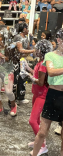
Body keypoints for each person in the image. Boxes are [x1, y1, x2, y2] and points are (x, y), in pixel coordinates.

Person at [31, 28, 63, 156]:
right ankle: (35, 154)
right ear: (59, 40)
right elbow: (51, 72)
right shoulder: (50, 55)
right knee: (43, 132)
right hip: (53, 95)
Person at [20, 40, 53, 156]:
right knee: (37, 120)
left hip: (42, 95)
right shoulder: (40, 61)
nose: (35, 50)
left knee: (32, 120)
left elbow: (40, 82)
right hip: (36, 94)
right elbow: (36, 74)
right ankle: (38, 141)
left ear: (42, 50)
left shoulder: (44, 64)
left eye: (37, 49)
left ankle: (42, 146)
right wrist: (27, 68)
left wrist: (28, 76)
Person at [0, 31, 17, 116]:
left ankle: (14, 106)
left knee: (8, 92)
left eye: (0, 38)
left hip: (8, 72)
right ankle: (0, 107)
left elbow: (7, 59)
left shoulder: (10, 47)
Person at [13, 22, 35, 103]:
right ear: (24, 29)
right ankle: (13, 98)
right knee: (16, 79)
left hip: (23, 60)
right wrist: (33, 51)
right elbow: (20, 50)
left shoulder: (25, 38)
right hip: (16, 61)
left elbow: (28, 47)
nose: (28, 30)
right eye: (27, 28)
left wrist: (33, 48)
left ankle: (20, 97)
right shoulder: (18, 37)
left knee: (23, 78)